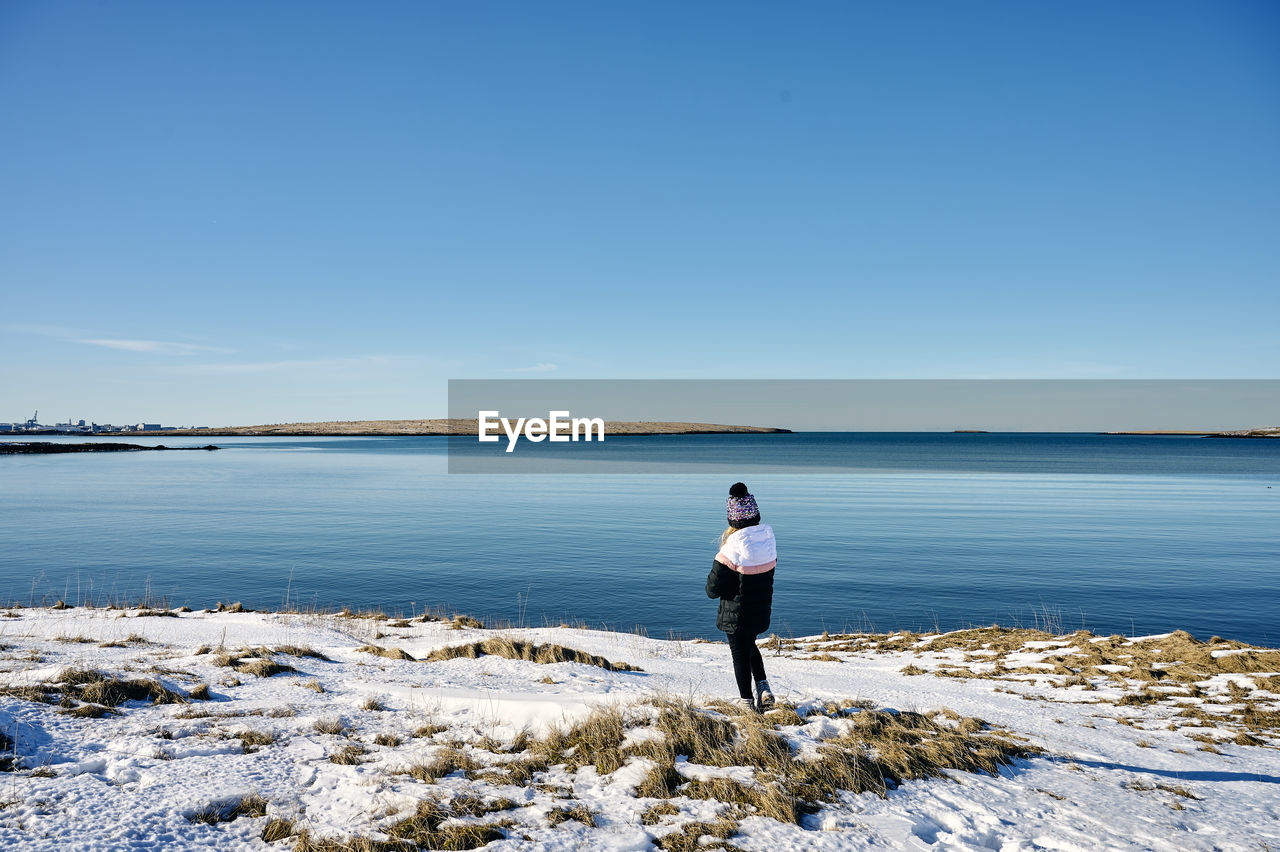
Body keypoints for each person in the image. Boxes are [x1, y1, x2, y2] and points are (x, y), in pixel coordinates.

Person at [705, 482, 776, 712]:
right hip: (760, 611)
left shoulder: (730, 548)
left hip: (735, 616)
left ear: (732, 520)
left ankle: (746, 703)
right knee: (750, 645)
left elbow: (712, 589)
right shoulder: (768, 541)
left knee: (739, 654)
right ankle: (763, 687)